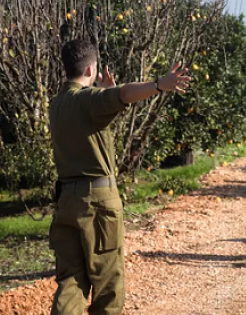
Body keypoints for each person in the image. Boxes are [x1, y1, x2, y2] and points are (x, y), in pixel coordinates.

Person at [48, 39, 190, 315]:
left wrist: (102, 94)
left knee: (71, 282)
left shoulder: (57, 104)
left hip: (66, 202)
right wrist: (160, 83)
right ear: (91, 69)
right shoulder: (87, 101)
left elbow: (91, 119)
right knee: (108, 284)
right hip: (97, 204)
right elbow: (124, 94)